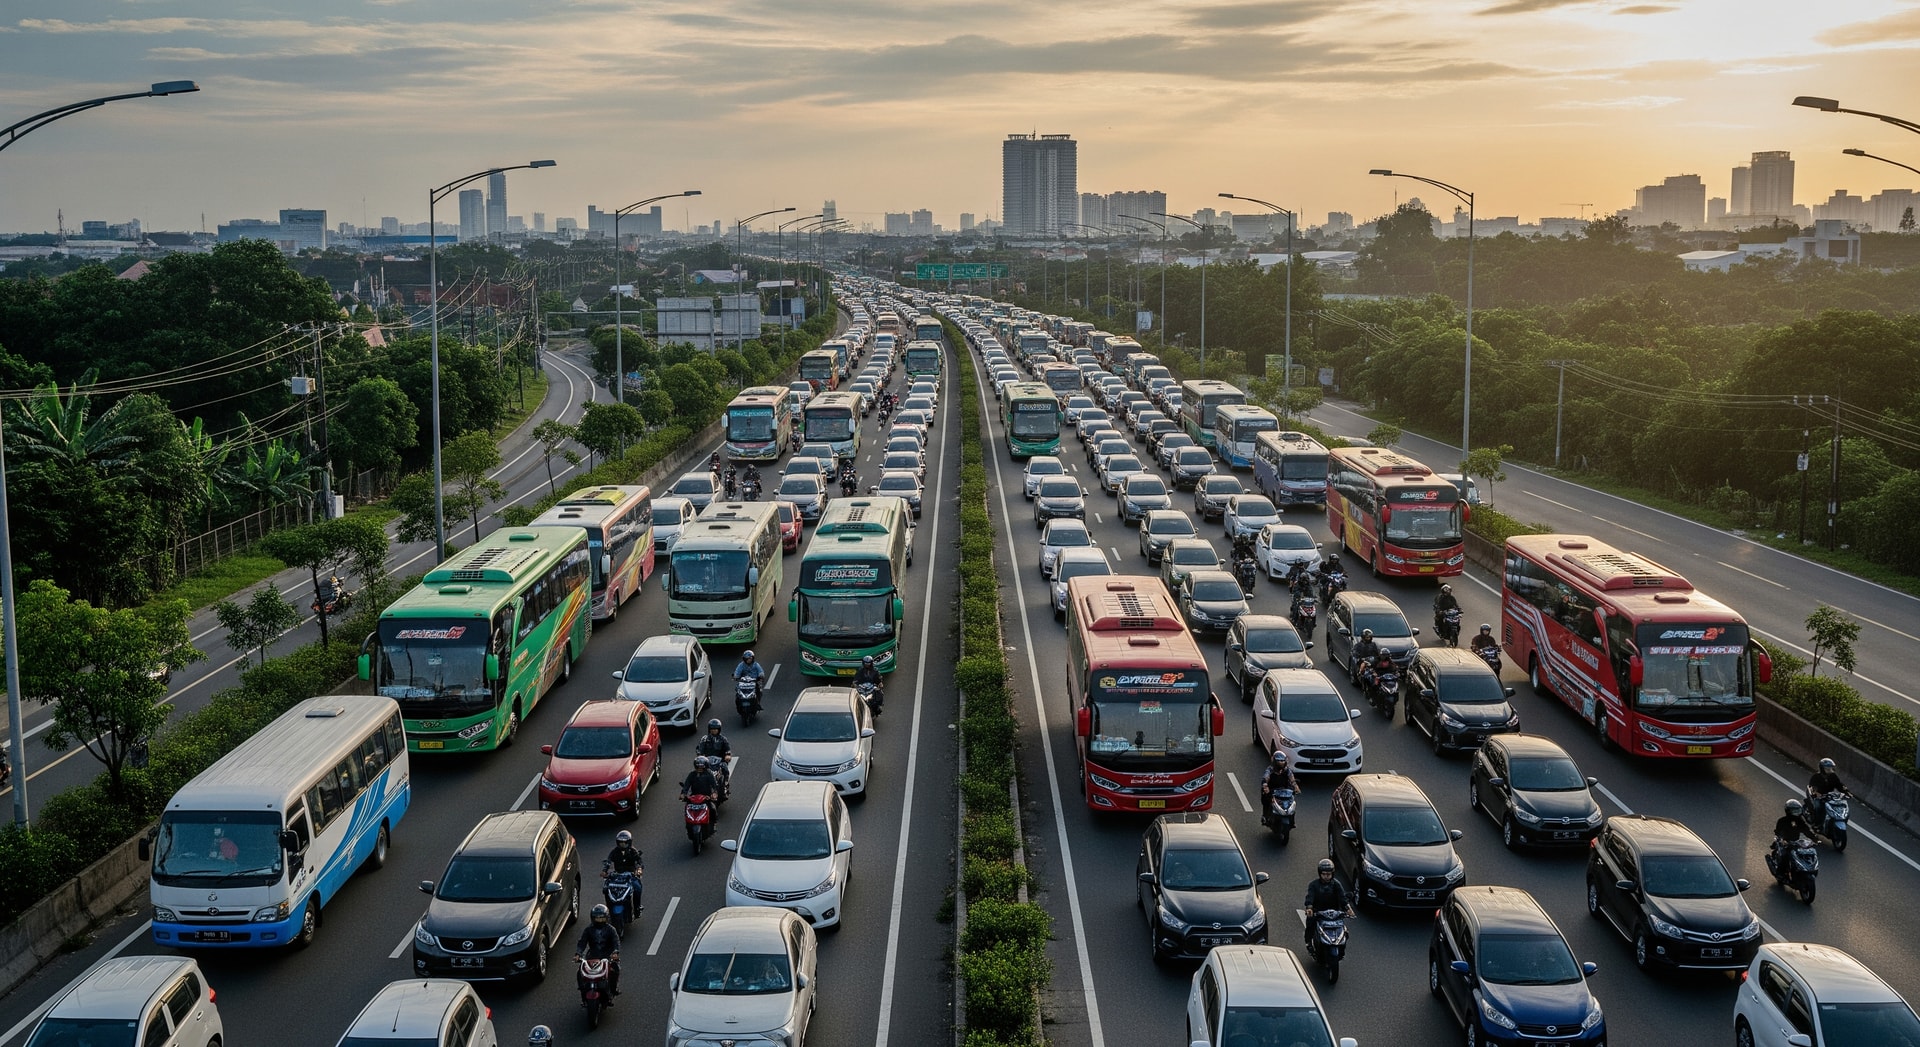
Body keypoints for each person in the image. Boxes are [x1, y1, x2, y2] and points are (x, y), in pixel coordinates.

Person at [1302, 859, 1354, 947]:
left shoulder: (1336, 884)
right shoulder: (1313, 885)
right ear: (1320, 874)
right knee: (1310, 925)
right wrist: (1309, 908)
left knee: (1345, 931)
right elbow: (1310, 897)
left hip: (1334, 914)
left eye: (1328, 874)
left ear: (1332, 874)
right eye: (1324, 874)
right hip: (1318, 913)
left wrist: (1348, 909)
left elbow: (1342, 897)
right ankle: (1309, 943)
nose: (1326, 876)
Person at [574, 904, 621, 999]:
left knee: (615, 969)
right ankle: (583, 989)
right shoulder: (588, 930)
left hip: (607, 956)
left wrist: (615, 952)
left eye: (602, 918)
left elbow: (616, 942)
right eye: (597, 918)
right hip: (592, 956)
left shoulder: (611, 929)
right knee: (580, 972)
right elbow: (582, 943)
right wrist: (578, 954)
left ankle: (613, 989)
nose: (599, 921)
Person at [602, 829, 644, 912]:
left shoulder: (633, 851)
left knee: (638, 888)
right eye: (621, 842)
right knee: (606, 889)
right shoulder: (614, 851)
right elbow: (608, 861)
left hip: (630, 875)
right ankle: (609, 909)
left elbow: (639, 861)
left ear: (629, 842)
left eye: (625, 843)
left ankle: (637, 908)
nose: (622, 845)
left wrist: (639, 869)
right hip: (617, 875)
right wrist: (604, 871)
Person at [1258, 752, 1299, 824]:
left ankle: (1292, 821)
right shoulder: (1270, 770)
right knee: (1266, 800)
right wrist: (1266, 787)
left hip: (1284, 791)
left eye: (1282, 761)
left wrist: (1295, 787)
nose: (1281, 763)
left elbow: (1292, 779)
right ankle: (1265, 816)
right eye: (1279, 761)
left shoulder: (1287, 770)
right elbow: (1265, 778)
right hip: (1272, 791)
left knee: (1292, 803)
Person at [696, 720, 733, 797]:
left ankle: (726, 784)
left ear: (719, 729)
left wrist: (727, 755)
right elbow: (700, 748)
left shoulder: (723, 739)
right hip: (707, 761)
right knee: (697, 772)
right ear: (709, 729)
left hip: (720, 761)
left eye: (716, 729)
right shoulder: (705, 739)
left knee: (725, 769)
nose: (714, 730)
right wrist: (700, 755)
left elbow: (727, 749)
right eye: (712, 729)